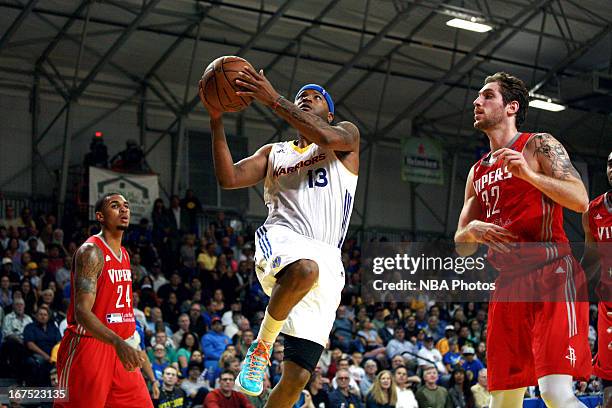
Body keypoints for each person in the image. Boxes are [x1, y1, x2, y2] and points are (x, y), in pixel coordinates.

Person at [201, 61, 360, 408]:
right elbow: (228, 178)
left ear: (329, 114)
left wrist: (274, 99)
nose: (306, 99)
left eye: (316, 98)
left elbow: (326, 137)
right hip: (283, 237)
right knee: (304, 269)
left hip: (329, 257)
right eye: (302, 96)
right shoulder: (274, 153)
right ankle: (260, 347)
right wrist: (216, 118)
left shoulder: (345, 136)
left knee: (298, 378)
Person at [454, 72, 591, 408]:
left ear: (511, 106)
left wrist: (529, 175)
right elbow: (461, 242)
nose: (477, 102)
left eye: (487, 96)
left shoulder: (537, 144)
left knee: (555, 394)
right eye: (478, 97)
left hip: (553, 274)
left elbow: (580, 199)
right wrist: (474, 230)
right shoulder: (478, 171)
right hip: (509, 285)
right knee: (501, 402)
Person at [54, 192, 152, 407]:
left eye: (126, 205)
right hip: (89, 347)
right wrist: (117, 342)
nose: (124, 209)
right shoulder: (92, 252)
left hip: (120, 347)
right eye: (115, 206)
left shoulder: (124, 254)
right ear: (100, 216)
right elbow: (82, 312)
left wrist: (125, 340)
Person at [581, 150, 612, 406]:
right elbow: (591, 259)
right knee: (608, 384)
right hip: (608, 304)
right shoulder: (593, 210)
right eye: (611, 164)